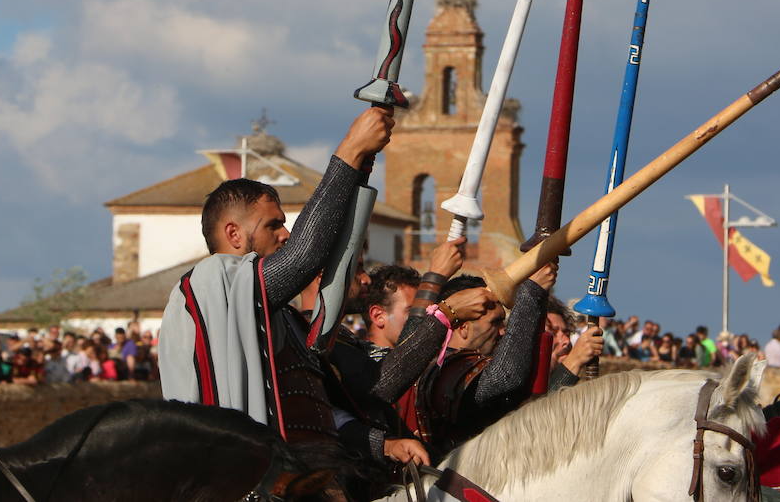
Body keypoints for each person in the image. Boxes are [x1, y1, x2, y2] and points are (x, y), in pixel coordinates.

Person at [160, 108, 447, 471]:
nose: (285, 234)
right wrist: (350, 151)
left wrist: (384, 445)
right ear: (233, 234)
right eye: (273, 225)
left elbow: (323, 407)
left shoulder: (277, 315)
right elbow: (303, 257)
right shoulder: (213, 284)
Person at [412, 266, 554, 459]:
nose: (503, 331)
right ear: (463, 327)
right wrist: (531, 292)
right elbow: (503, 378)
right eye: (495, 322)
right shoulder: (442, 367)